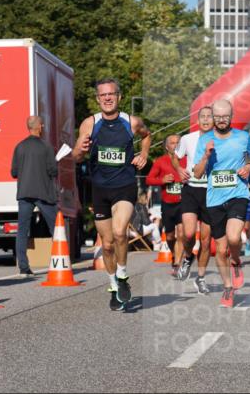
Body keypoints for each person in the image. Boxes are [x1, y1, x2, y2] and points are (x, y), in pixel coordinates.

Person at [73, 78, 150, 311]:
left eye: (111, 94)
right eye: (103, 95)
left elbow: (147, 136)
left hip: (125, 186)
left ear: (119, 97)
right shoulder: (89, 123)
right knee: (106, 245)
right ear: (97, 99)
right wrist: (80, 150)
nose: (107, 98)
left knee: (119, 232)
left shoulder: (131, 122)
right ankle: (114, 286)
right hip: (100, 190)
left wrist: (143, 154)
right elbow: (76, 156)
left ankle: (124, 275)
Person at [192, 99, 250, 308]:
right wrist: (206, 156)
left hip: (238, 193)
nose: (221, 121)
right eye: (218, 117)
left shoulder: (243, 137)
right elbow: (197, 172)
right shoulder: (205, 140)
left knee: (233, 237)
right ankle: (228, 288)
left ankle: (237, 261)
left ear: (231, 116)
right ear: (213, 117)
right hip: (214, 199)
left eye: (225, 117)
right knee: (220, 250)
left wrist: (249, 165)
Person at [173, 106, 214, 294]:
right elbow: (175, 157)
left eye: (209, 117)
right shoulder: (188, 139)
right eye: (203, 117)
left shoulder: (219, 140)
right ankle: (188, 256)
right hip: (191, 189)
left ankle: (201, 278)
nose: (206, 120)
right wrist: (180, 170)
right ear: (198, 120)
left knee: (206, 242)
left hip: (211, 192)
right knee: (188, 234)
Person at [11, 116, 59, 277]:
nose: (43, 126)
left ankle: (24, 267)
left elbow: (14, 172)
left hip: (24, 193)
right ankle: (60, 262)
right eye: (42, 124)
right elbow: (53, 171)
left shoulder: (19, 147)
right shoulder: (46, 147)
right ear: (38, 127)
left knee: (22, 230)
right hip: (44, 193)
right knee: (56, 228)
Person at [146, 134, 186, 276]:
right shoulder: (160, 161)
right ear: (166, 146)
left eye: (178, 142)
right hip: (168, 203)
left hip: (184, 202)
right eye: (172, 142)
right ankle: (175, 255)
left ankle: (177, 263)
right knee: (169, 236)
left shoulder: (187, 160)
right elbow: (149, 180)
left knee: (182, 234)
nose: (175, 145)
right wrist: (162, 180)